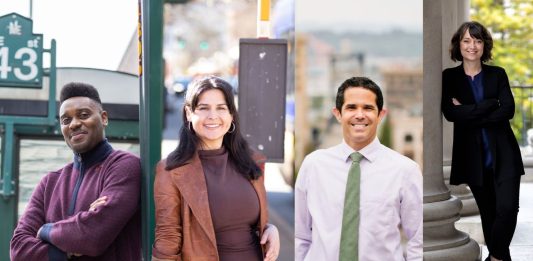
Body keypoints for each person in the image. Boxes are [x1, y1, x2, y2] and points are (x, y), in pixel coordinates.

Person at [152, 76, 280, 261]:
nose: (213, 116)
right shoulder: (171, 170)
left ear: (231, 115)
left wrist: (270, 229)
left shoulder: (251, 160)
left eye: (221, 108)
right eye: (203, 108)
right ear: (189, 113)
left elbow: (252, 222)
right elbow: (167, 238)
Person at [295, 77, 423, 261]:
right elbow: (302, 237)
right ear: (338, 113)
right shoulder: (313, 166)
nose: (360, 115)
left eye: (368, 108)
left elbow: (417, 240)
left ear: (381, 115)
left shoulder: (405, 170)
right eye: (351, 107)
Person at [10, 82, 142, 260]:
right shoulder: (50, 182)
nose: (74, 124)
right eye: (66, 120)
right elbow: (18, 249)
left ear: (104, 118)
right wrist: (65, 250)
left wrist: (45, 230)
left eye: (84, 115)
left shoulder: (124, 166)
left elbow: (93, 236)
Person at [442, 21, 524, 261]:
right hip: (473, 158)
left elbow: (507, 110)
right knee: (489, 215)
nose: (472, 46)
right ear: (459, 44)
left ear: (484, 45)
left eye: (477, 41)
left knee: (508, 210)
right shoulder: (450, 78)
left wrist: (469, 112)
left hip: (504, 153)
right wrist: (488, 106)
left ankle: (495, 258)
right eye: (467, 40)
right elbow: (450, 113)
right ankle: (500, 258)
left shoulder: (497, 74)